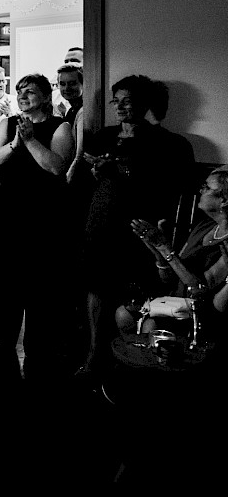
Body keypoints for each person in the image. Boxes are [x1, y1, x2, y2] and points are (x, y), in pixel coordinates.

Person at [77, 75, 194, 378]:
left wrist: (122, 169)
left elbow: (173, 188)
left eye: (127, 100)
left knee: (133, 297)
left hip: (138, 230)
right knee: (95, 289)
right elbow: (85, 179)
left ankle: (131, 362)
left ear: (146, 103)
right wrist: (95, 170)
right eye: (116, 100)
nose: (120, 106)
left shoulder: (170, 142)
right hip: (100, 223)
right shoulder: (103, 136)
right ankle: (93, 357)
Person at [0, 73, 74, 380]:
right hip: (8, 213)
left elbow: (56, 167)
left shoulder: (60, 126)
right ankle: (4, 343)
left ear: (46, 96)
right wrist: (14, 142)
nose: (23, 96)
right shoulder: (6, 123)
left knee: (39, 285)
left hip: (44, 216)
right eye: (20, 91)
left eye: (31, 91)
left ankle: (38, 351)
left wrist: (30, 139)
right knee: (7, 281)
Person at [120, 167, 228, 344]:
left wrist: (165, 248)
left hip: (199, 312)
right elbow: (169, 279)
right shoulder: (204, 227)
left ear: (223, 200)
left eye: (206, 187)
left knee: (151, 328)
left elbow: (201, 289)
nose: (200, 190)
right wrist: (157, 249)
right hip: (173, 300)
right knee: (123, 314)